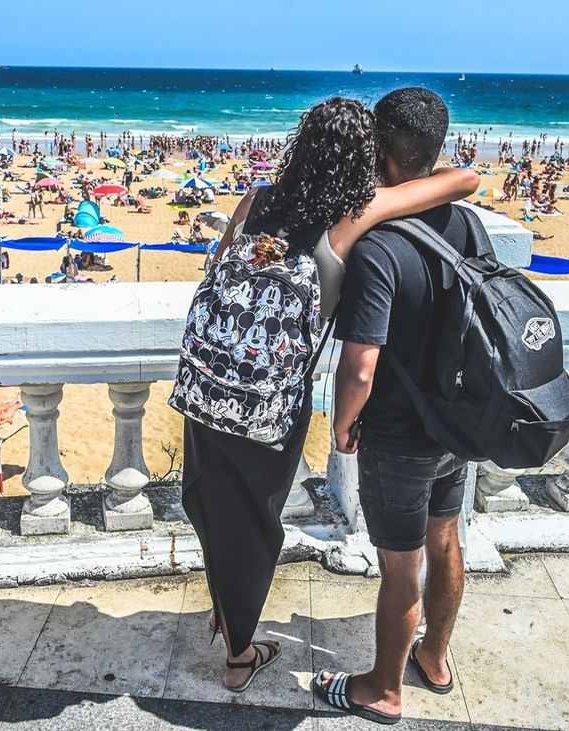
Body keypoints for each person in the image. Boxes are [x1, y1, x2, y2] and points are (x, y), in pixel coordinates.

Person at [181, 95, 478, 694]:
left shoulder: (257, 198)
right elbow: (464, 180)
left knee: (211, 504)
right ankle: (240, 655)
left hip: (209, 384)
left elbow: (216, 273)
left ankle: (227, 612)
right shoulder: (351, 220)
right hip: (270, 404)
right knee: (257, 521)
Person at [314, 87, 476, 724]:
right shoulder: (466, 223)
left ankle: (382, 688)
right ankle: (434, 656)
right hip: (454, 421)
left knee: (399, 563)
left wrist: (343, 422)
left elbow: (360, 363)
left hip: (400, 433)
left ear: (377, 150)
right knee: (445, 540)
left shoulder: (378, 245)